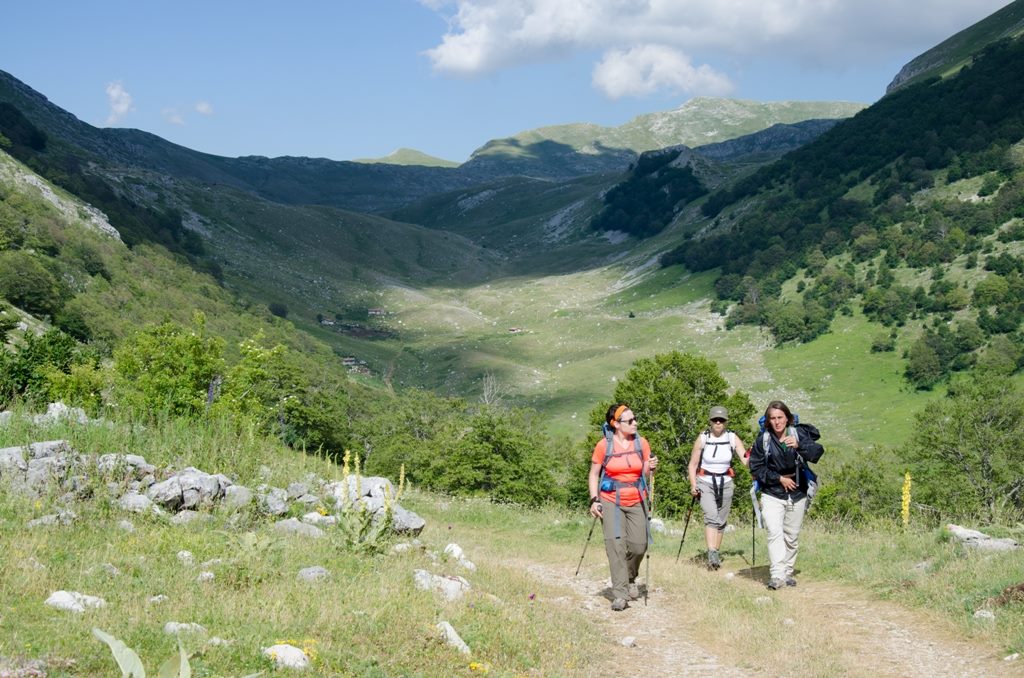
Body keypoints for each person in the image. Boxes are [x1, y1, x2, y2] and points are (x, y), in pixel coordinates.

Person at [747, 400, 824, 590]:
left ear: (787, 418)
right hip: (772, 492)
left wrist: (799, 446)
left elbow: (817, 452)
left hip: (797, 491)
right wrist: (778, 478)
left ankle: (788, 571)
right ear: (768, 421)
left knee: (791, 535)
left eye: (780, 418)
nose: (777, 422)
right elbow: (756, 467)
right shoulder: (763, 440)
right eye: (772, 418)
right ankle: (777, 575)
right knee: (774, 532)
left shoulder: (798, 433)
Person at [588, 402, 658, 611]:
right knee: (616, 546)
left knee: (638, 546)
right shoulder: (604, 446)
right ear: (616, 424)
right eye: (630, 421)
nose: (635, 423)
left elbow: (644, 472)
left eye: (635, 419)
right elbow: (593, 474)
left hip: (637, 498)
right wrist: (594, 500)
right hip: (610, 500)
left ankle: (629, 577)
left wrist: (651, 467)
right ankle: (620, 593)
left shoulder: (641, 443)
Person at [687, 405, 748, 570]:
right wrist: (693, 485)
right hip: (705, 481)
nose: (718, 423)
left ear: (726, 422)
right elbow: (692, 465)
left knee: (721, 521)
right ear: (710, 422)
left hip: (726, 482)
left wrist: (756, 462)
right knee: (712, 516)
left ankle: (715, 554)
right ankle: (712, 553)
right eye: (715, 420)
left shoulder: (732, 437)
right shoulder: (703, 438)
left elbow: (745, 458)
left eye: (721, 420)